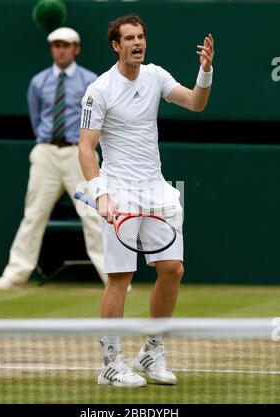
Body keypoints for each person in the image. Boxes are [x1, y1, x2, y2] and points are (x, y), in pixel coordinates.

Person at [79, 15, 214, 387]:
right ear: (115, 46)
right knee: (120, 277)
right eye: (129, 38)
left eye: (141, 37)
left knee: (173, 269)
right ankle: (110, 362)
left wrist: (205, 71)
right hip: (119, 191)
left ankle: (152, 351)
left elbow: (195, 103)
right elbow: (87, 147)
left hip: (157, 190)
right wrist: (100, 194)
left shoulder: (156, 75)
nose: (138, 43)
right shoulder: (100, 89)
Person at [0, 27, 107, 289]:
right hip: (46, 152)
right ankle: (15, 274)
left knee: (92, 213)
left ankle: (112, 275)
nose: (61, 50)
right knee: (34, 214)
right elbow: (36, 117)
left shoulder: (91, 81)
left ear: (75, 49)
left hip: (80, 153)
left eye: (66, 45)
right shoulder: (39, 82)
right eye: (56, 45)